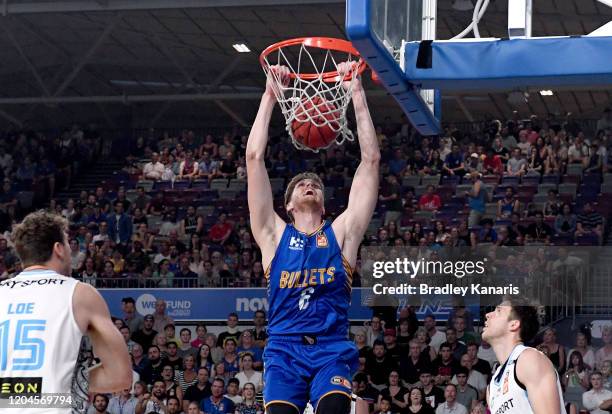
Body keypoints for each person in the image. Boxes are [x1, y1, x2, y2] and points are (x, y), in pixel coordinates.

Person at [246, 62, 379, 414]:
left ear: (323, 202)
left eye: (316, 185)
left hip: (331, 348)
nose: (310, 184)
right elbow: (254, 158)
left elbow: (371, 160)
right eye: (302, 185)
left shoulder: (341, 233)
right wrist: (270, 94)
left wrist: (357, 92)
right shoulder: (273, 236)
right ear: (288, 204)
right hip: (283, 349)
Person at [0, 211, 131, 413]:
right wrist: (62, 377)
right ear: (58, 249)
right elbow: (119, 376)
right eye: (68, 243)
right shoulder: (81, 294)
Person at [483, 298, 566, 413]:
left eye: (498, 310)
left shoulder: (529, 359)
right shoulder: (491, 387)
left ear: (514, 324)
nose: (488, 315)